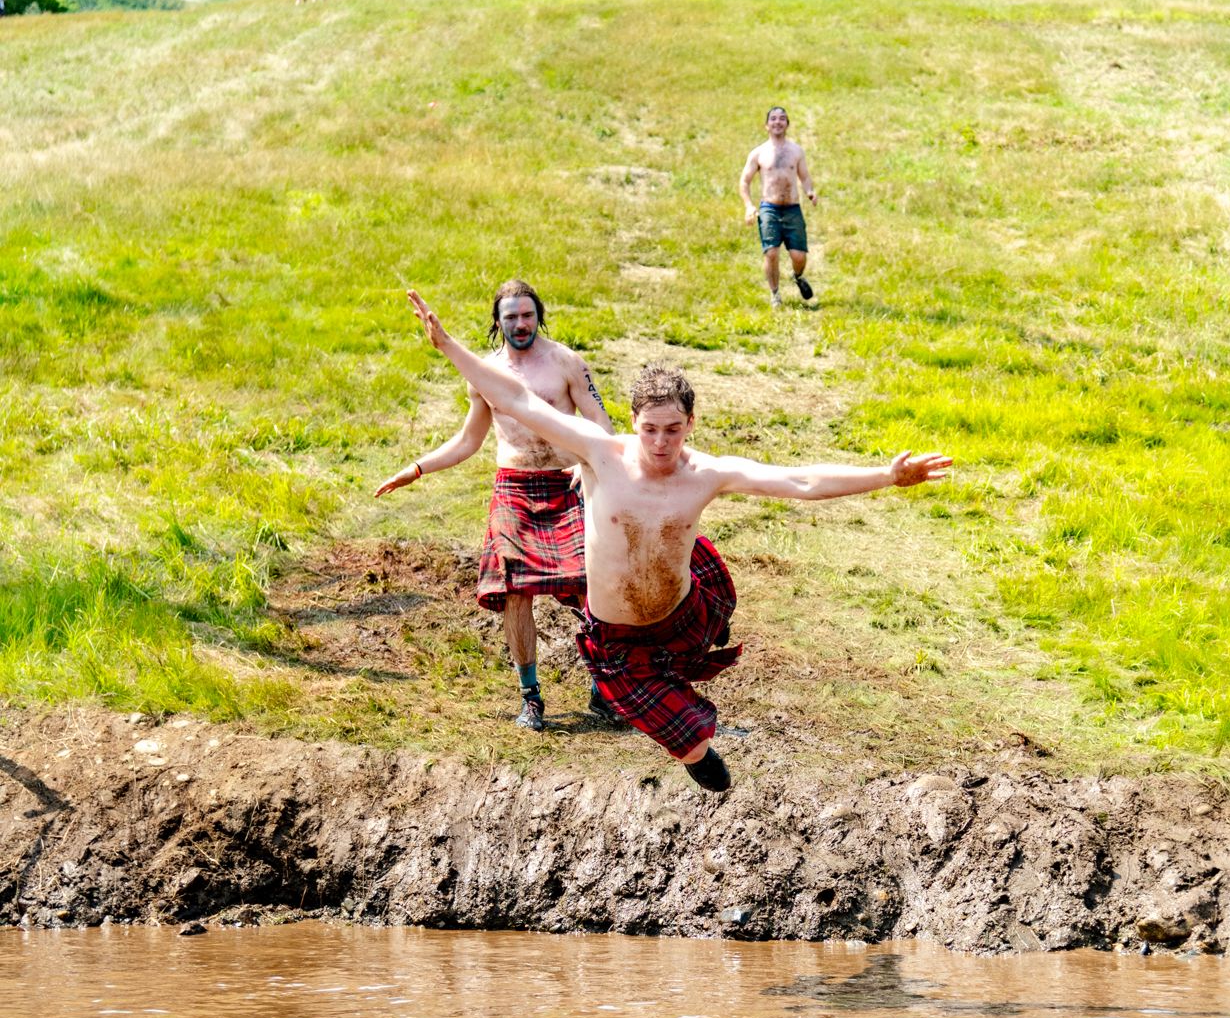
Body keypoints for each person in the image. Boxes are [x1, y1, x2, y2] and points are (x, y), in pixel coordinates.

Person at [405, 293, 951, 791]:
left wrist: (886, 475)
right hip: (618, 637)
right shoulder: (599, 453)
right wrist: (448, 344)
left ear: (689, 424)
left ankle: (705, 646)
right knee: (691, 743)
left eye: (673, 429)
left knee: (705, 576)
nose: (661, 442)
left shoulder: (706, 472)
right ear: (634, 424)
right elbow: (517, 398)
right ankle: (694, 751)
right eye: (650, 430)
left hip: (680, 611)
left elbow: (799, 481)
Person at [376, 281, 613, 733]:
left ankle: (604, 688)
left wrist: (588, 461)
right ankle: (531, 697)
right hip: (514, 487)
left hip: (566, 484)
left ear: (538, 315)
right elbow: (469, 441)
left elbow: (600, 421)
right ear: (498, 322)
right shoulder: (485, 374)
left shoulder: (566, 362)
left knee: (591, 585)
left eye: (527, 315)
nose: (520, 325)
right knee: (516, 591)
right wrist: (417, 469)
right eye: (511, 318)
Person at [740, 106, 818, 310]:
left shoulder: (796, 151)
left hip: (793, 209)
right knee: (771, 252)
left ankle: (798, 276)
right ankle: (775, 294)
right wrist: (749, 206)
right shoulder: (758, 153)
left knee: (799, 256)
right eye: (773, 119)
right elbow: (744, 181)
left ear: (787, 124)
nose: (778, 122)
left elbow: (805, 177)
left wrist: (810, 191)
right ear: (766, 125)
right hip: (769, 209)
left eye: (782, 119)